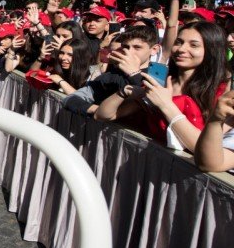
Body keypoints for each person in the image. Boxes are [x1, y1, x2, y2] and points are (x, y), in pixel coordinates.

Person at [95, 21, 228, 151]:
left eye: (194, 45)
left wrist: (165, 104)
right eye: (179, 42)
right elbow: (103, 115)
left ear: (212, 50)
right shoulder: (160, 80)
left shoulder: (221, 91)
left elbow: (203, 149)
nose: (181, 49)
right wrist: (125, 91)